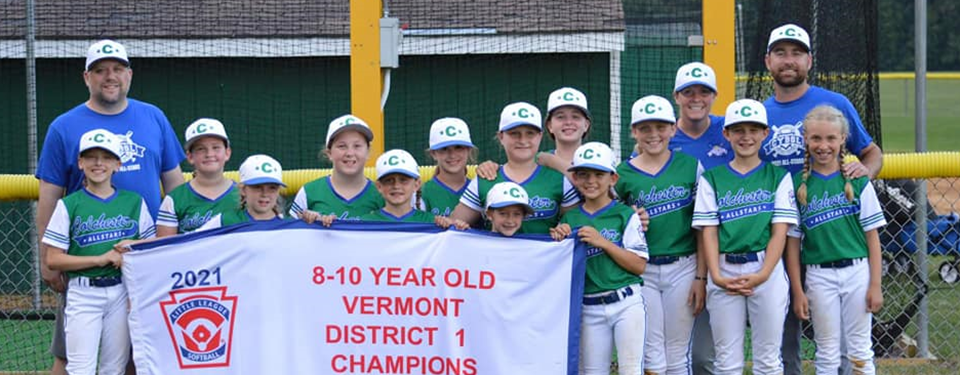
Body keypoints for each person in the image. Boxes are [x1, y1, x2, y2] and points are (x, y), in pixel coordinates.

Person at [34, 39, 185, 375]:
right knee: (70, 357)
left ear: (129, 74)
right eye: (101, 70)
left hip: (143, 257)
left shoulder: (153, 117)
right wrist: (47, 259)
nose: (110, 76)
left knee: (138, 352)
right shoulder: (64, 126)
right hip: (85, 262)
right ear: (86, 77)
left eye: (117, 69)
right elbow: (48, 196)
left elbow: (175, 186)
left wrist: (180, 246)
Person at [763, 23, 884, 375]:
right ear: (768, 60)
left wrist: (863, 176)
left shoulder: (835, 103)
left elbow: (871, 153)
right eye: (781, 53)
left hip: (835, 239)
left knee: (848, 345)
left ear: (809, 60)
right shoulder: (759, 115)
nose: (789, 60)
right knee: (787, 332)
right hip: (779, 235)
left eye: (797, 53)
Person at [692, 99, 798, 375]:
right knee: (727, 362)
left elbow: (780, 233)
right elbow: (710, 232)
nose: (746, 137)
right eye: (738, 130)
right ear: (726, 134)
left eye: (754, 129)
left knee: (768, 360)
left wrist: (762, 274)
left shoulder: (778, 176)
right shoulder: (712, 178)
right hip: (723, 269)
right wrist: (716, 274)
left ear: (766, 133)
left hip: (767, 268)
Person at [41, 129, 156, 375]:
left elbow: (152, 248)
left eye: (106, 157)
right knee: (80, 368)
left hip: (121, 291)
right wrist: (100, 258)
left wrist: (134, 246)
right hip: (83, 293)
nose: (98, 163)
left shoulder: (134, 202)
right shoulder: (69, 204)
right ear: (80, 163)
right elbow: (52, 258)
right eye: (91, 157)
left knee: (113, 368)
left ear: (118, 163)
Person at [785, 105, 885, 375]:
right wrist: (797, 289)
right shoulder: (796, 184)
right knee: (827, 351)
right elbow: (792, 244)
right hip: (819, 276)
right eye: (816, 138)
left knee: (860, 350)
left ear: (843, 139)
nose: (823, 145)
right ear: (805, 138)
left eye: (831, 138)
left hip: (858, 272)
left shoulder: (858, 180)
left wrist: (875, 284)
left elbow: (872, 238)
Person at [615, 95, 704, 375]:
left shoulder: (691, 166)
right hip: (643, 270)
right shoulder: (621, 174)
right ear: (634, 132)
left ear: (673, 128)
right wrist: (627, 217)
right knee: (652, 351)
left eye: (660, 127)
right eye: (645, 128)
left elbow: (703, 227)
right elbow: (608, 218)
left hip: (683, 265)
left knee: (678, 351)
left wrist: (701, 277)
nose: (653, 135)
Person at [550, 142, 649, 375]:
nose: (591, 180)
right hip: (589, 306)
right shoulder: (570, 218)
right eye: (583, 174)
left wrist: (603, 242)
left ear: (612, 179)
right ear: (574, 178)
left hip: (626, 302)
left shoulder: (625, 214)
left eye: (599, 174)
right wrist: (558, 238)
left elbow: (639, 265)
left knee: (631, 370)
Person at [672, 61, 729, 374]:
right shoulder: (662, 135)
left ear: (714, 95)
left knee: (708, 356)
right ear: (676, 96)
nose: (696, 98)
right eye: (688, 92)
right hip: (676, 251)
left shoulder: (731, 131)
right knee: (672, 353)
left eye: (704, 92)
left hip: (723, 251)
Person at [450, 102, 579, 234]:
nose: (523, 140)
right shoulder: (485, 178)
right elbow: (452, 226)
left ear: (540, 136)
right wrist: (458, 225)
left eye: (530, 133)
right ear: (501, 137)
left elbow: (577, 222)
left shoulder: (558, 180)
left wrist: (564, 229)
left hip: (544, 255)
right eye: (514, 134)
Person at [475, 87, 590, 179]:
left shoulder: (603, 158)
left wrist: (553, 162)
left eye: (576, 117)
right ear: (549, 125)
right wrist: (488, 167)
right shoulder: (535, 160)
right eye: (560, 117)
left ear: (586, 125)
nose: (568, 122)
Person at [290, 114, 384, 225]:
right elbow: (290, 237)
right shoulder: (309, 192)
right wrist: (307, 221)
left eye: (357, 146)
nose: (350, 153)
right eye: (342, 146)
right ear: (329, 153)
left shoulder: (382, 194)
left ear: (368, 151)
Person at [156, 118, 239, 235]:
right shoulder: (175, 199)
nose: (209, 154)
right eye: (201, 149)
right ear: (190, 156)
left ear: (227, 153)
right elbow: (163, 247)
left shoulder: (243, 196)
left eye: (216, 148)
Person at [196, 154, 287, 230]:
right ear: (243, 190)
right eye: (257, 187)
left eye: (272, 188)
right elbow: (192, 242)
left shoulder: (289, 226)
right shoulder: (225, 221)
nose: (265, 194)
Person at [361, 149, 435, 223]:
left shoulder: (431, 222)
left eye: (403, 180)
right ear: (379, 186)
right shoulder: (364, 223)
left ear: (417, 184)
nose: (396, 186)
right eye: (389, 180)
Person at [422, 118, 476, 217]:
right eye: (444, 149)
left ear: (468, 150)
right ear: (433, 153)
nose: (452, 155)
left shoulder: (477, 189)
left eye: (458, 147)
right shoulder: (424, 192)